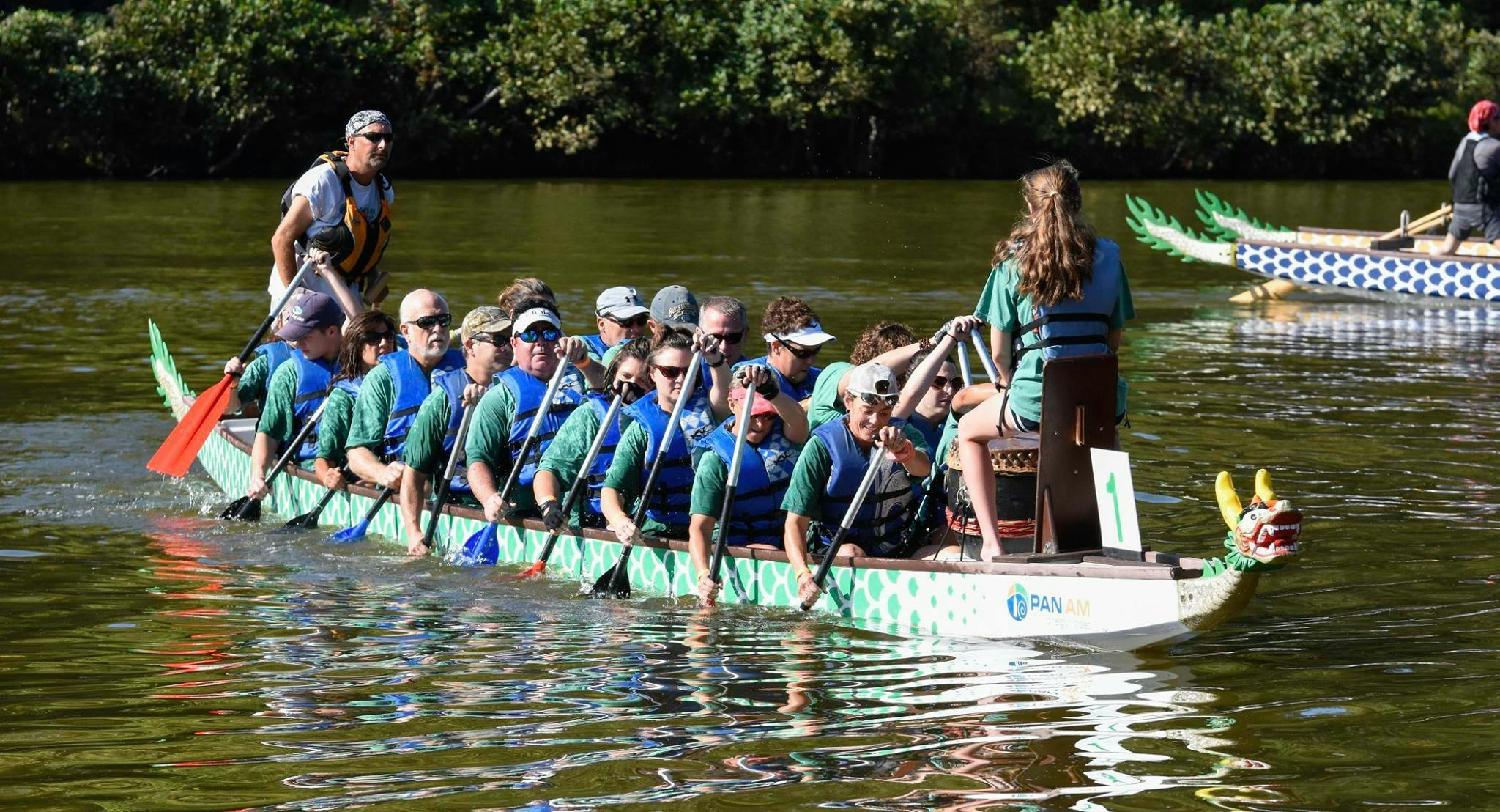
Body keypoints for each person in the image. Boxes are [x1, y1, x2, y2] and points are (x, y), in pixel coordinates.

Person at [960, 160, 1134, 560]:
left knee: (969, 431)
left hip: (1037, 400)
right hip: (1098, 397)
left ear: (1030, 204)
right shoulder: (1109, 255)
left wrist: (1005, 383)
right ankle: (1121, 543)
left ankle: (991, 545)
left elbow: (1000, 351)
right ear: (1077, 202)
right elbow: (1114, 337)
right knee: (1105, 436)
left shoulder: (1011, 262)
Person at [782, 362, 932, 607]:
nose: (876, 421)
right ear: (848, 401)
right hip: (835, 549)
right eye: (867, 410)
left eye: (884, 413)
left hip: (896, 547)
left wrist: (906, 453)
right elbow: (794, 523)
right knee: (853, 553)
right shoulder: (820, 447)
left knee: (948, 552)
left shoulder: (904, 435)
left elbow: (923, 468)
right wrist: (802, 574)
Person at [689, 364, 810, 606]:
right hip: (733, 545)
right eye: (753, 415)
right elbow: (699, 528)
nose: (761, 424)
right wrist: (703, 575)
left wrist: (772, 392)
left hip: (787, 542)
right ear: (732, 405)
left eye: (767, 415)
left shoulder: (785, 435)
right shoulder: (714, 460)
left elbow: (799, 421)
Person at [397, 307, 513, 554]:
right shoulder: (442, 400)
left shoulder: (521, 390)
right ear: (470, 346)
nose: (507, 347)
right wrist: (414, 532)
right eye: (498, 340)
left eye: (511, 338)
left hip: (511, 504)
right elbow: (414, 474)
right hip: (460, 502)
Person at [601, 327, 731, 543]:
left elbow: (725, 394)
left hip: (712, 530)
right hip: (658, 530)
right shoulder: (641, 429)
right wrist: (620, 521)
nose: (680, 379)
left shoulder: (711, 410)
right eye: (670, 372)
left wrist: (715, 359)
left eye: (687, 371)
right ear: (652, 373)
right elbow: (611, 489)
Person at [466, 306, 594, 522]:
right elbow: (478, 459)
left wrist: (585, 362)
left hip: (582, 508)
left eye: (550, 334)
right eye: (530, 335)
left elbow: (611, 391)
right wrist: (489, 499)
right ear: (514, 343)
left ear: (560, 340)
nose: (541, 342)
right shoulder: (499, 398)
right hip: (525, 511)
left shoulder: (584, 380)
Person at [269, 110, 394, 316]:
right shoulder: (323, 181)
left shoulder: (383, 188)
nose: (383, 145)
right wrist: (297, 297)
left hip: (345, 293)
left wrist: (373, 276)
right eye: (373, 137)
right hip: (304, 292)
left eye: (388, 138)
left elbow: (361, 243)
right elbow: (281, 238)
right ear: (351, 142)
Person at [344, 289, 464, 493]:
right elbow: (356, 452)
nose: (438, 328)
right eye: (426, 322)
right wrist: (382, 473)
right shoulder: (382, 378)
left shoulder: (469, 368)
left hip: (460, 485)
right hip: (408, 487)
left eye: (443, 320)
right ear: (406, 331)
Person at [534, 337, 654, 532]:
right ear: (613, 376)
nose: (631, 386)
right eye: (626, 376)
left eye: (642, 381)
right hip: (591, 525)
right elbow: (550, 469)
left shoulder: (664, 420)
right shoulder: (590, 416)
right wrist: (549, 505)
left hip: (644, 528)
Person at [242, 292, 344, 501]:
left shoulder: (363, 365)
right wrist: (258, 476)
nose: (298, 343)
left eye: (306, 336)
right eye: (296, 336)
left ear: (332, 331)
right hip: (308, 466)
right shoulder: (288, 374)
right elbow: (269, 433)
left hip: (355, 468)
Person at [310, 309, 399, 492]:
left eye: (388, 336)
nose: (384, 343)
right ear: (357, 346)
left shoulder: (406, 385)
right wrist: (329, 477)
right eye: (373, 338)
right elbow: (323, 459)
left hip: (399, 475)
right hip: (361, 479)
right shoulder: (342, 397)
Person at [738, 296, 835, 403]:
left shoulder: (821, 378)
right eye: (802, 353)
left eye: (816, 351)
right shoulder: (749, 374)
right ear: (776, 347)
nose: (810, 361)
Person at [1438, 100, 1500, 254]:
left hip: (1460, 206)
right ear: (1490, 122)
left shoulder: (1464, 143)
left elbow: (1452, 175)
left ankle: (1426, 264)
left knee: (1447, 248)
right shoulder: (1494, 146)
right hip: (1485, 210)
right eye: (1498, 117)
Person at [580, 286, 650, 360]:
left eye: (641, 320)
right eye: (627, 322)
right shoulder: (581, 348)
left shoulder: (654, 351)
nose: (637, 329)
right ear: (602, 324)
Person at [696, 295, 749, 391]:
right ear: (699, 335)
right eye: (715, 338)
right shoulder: (682, 370)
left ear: (745, 335)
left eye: (732, 338)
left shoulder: (752, 375)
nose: (724, 347)